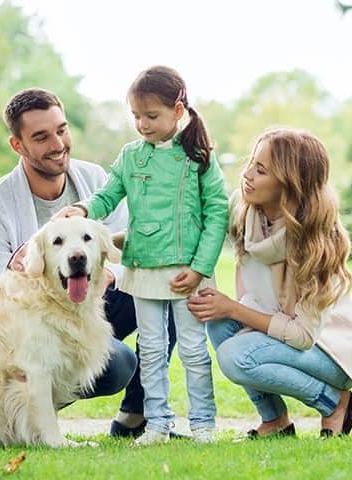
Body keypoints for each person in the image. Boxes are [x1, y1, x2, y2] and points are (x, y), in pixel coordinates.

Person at [0, 87, 176, 438]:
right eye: (41, 137)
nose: (58, 144)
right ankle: (33, 407)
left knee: (164, 294)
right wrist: (24, 267)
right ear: (17, 145)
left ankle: (135, 417)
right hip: (41, 320)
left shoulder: (95, 179)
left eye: (61, 130)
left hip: (96, 298)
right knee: (118, 365)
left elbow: (129, 252)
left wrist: (108, 274)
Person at [187, 127, 352, 438]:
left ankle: (336, 402)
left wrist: (233, 309)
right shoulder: (245, 210)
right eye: (251, 164)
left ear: (290, 185)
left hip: (330, 352)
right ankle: (275, 421)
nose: (248, 175)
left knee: (235, 356)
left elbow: (302, 336)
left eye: (261, 170)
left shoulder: (315, 243)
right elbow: (198, 232)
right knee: (218, 326)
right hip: (281, 330)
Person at [58, 66, 229, 445]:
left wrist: (200, 268)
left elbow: (218, 212)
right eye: (136, 116)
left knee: (194, 350)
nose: (142, 125)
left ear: (178, 108)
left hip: (189, 272)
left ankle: (203, 424)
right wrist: (84, 210)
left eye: (151, 116)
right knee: (151, 351)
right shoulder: (131, 157)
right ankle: (156, 424)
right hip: (143, 268)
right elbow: (108, 194)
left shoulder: (198, 157)